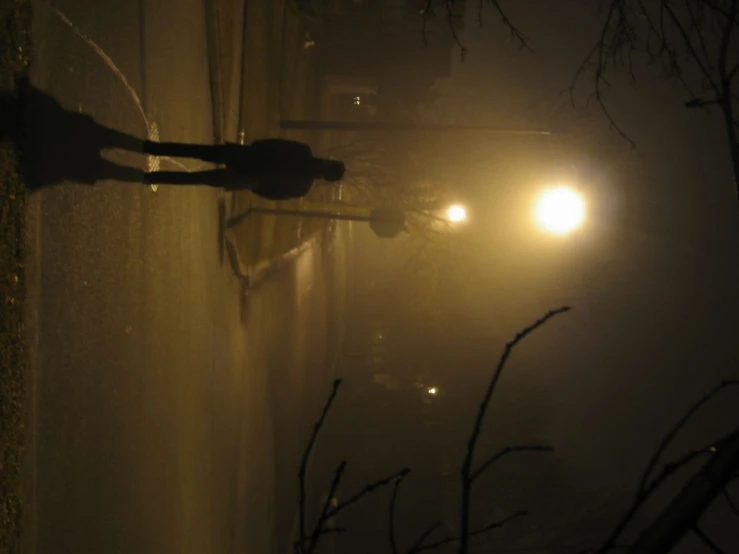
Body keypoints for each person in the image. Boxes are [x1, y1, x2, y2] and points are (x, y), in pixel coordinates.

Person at [142, 138, 345, 200]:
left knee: (197, 150)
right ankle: (153, 177)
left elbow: (276, 144)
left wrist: (256, 147)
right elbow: (273, 194)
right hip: (247, 178)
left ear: (328, 163)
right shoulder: (302, 187)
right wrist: (256, 186)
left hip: (248, 156)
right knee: (197, 179)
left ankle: (155, 148)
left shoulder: (304, 150)